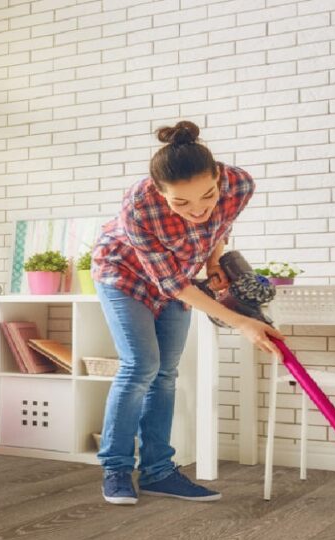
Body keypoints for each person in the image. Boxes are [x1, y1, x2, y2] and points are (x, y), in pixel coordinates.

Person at [91, 120, 284, 506]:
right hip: (123, 275)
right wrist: (243, 322)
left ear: (218, 177)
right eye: (181, 203)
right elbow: (172, 285)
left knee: (166, 373)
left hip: (178, 275)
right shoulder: (138, 205)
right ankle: (115, 469)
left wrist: (213, 263)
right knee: (141, 365)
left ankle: (158, 472)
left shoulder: (239, 184)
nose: (197, 210)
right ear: (159, 192)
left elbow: (219, 227)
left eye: (207, 196)